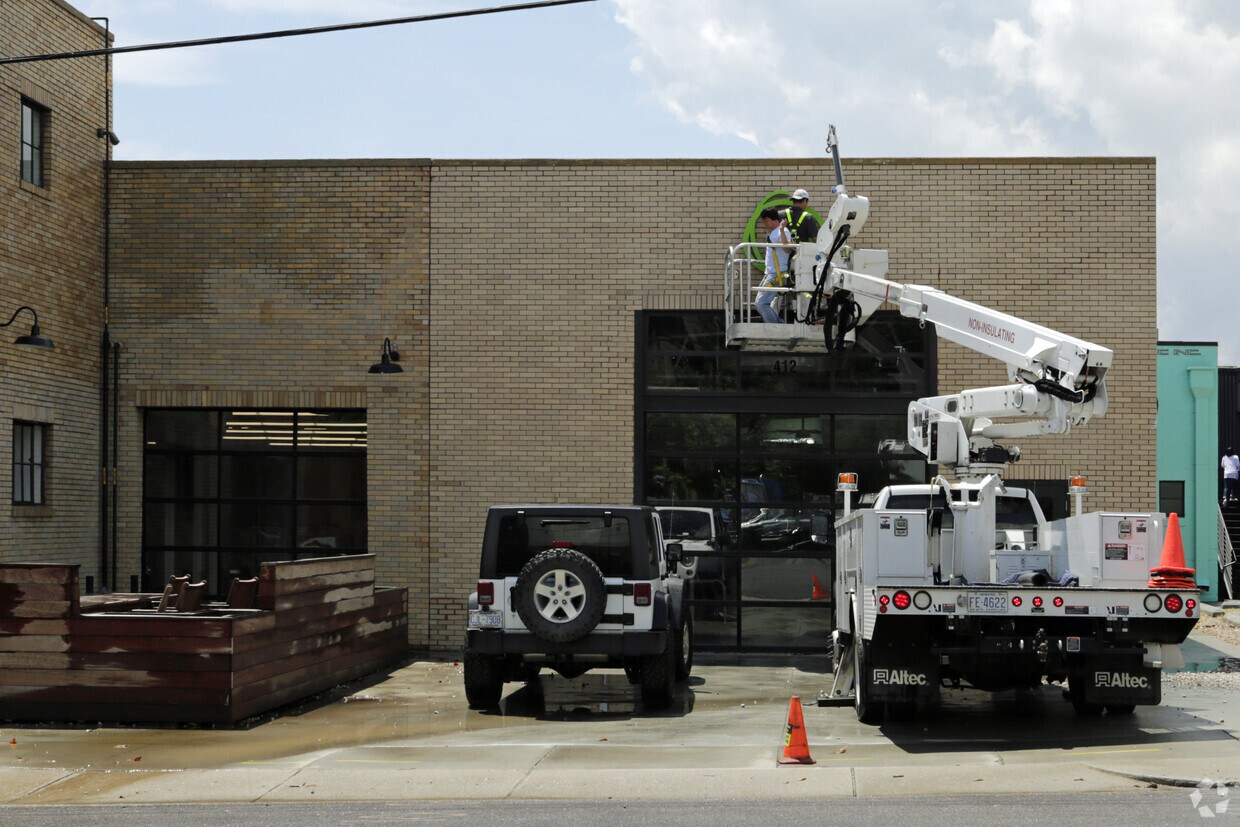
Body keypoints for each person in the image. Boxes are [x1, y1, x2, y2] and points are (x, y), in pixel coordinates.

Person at [755, 207, 791, 324]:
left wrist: (781, 230)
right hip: (771, 273)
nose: (764, 224)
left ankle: (778, 326)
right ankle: (778, 324)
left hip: (776, 273)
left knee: (761, 303)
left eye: (764, 221)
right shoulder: (773, 233)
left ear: (769, 219)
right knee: (761, 303)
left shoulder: (783, 232)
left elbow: (788, 249)